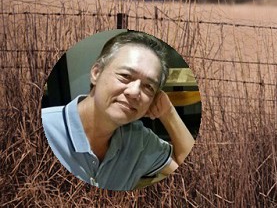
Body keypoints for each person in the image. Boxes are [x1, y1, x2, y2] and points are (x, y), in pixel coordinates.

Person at [42, 31, 195, 190]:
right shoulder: (43, 128)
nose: (134, 92)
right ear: (96, 73)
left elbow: (191, 173)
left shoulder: (138, 140)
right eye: (125, 76)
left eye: (148, 87)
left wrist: (168, 113)